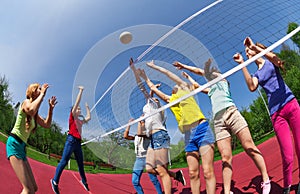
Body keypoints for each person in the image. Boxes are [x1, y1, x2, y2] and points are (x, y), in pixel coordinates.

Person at [174, 58, 271, 194]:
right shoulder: (210, 90)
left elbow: (204, 73)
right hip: (218, 121)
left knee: (249, 146)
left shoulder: (222, 79)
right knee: (225, 157)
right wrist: (185, 72)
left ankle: (265, 179)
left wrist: (205, 67)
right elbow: (196, 85)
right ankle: (227, 191)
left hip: (232, 113)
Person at [137, 60, 216, 194]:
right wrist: (145, 78)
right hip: (188, 135)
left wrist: (154, 66)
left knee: (208, 171)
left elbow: (168, 73)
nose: (173, 85)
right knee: (192, 173)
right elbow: (153, 89)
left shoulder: (184, 87)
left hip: (201, 128)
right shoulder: (170, 100)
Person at [233, 37, 300, 194]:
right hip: (277, 114)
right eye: (246, 51)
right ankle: (287, 186)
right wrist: (242, 63)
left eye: (248, 50)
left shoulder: (269, 60)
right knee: (287, 155)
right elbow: (251, 86)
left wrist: (255, 48)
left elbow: (278, 61)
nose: (247, 51)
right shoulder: (256, 74)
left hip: (291, 104)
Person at [129, 58, 186, 194]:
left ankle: (171, 182)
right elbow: (143, 89)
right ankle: (176, 175)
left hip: (160, 135)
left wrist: (137, 72)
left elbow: (144, 88)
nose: (153, 98)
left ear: (157, 102)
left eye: (155, 98)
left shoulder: (157, 107)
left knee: (161, 171)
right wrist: (133, 70)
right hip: (153, 140)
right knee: (149, 169)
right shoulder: (149, 106)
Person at [6, 83, 57, 194]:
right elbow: (31, 109)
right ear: (33, 91)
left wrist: (51, 110)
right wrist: (42, 93)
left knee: (34, 188)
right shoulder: (26, 103)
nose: (41, 90)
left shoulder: (34, 114)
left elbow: (46, 125)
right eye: (39, 89)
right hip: (14, 144)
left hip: (22, 148)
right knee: (28, 190)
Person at [51, 86, 91, 194]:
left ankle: (84, 181)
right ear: (74, 110)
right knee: (64, 162)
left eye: (79, 109)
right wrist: (81, 91)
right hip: (71, 140)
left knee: (80, 165)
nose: (79, 109)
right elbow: (77, 103)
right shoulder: (72, 117)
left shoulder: (80, 121)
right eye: (78, 108)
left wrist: (87, 108)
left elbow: (88, 117)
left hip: (78, 143)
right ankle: (55, 181)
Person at [123, 118, 163, 194]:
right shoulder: (136, 137)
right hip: (139, 159)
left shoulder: (148, 135)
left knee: (153, 179)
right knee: (135, 181)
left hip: (148, 158)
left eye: (143, 122)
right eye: (141, 122)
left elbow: (140, 133)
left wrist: (140, 121)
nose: (141, 123)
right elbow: (125, 136)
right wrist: (129, 124)